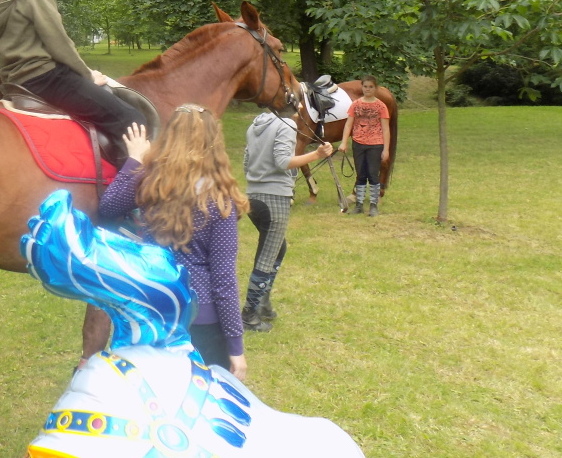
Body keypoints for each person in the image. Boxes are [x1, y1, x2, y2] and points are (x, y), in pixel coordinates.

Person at [98, 109, 249, 379]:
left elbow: (108, 205)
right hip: (200, 318)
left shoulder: (151, 184)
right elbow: (223, 280)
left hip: (154, 306)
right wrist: (235, 347)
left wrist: (135, 160)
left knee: (157, 388)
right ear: (213, 145)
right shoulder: (219, 200)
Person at [0, 0, 145, 161]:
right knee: (132, 121)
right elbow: (59, 43)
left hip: (13, 81)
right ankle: (127, 183)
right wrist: (87, 75)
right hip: (47, 79)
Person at [242, 110, 335, 332]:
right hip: (274, 199)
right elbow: (283, 161)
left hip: (253, 197)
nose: (302, 108)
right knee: (268, 256)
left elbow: (246, 162)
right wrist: (317, 154)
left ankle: (262, 303)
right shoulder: (286, 125)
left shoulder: (255, 125)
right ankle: (249, 314)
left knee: (278, 248)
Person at [338, 75, 391, 216]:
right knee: (360, 175)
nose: (368, 89)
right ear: (362, 87)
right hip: (358, 143)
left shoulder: (381, 106)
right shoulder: (355, 104)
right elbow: (348, 124)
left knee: (373, 174)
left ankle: (373, 205)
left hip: (376, 144)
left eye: (371, 87)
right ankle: (359, 205)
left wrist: (386, 149)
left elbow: (386, 129)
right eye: (365, 86)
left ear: (376, 88)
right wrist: (344, 142)